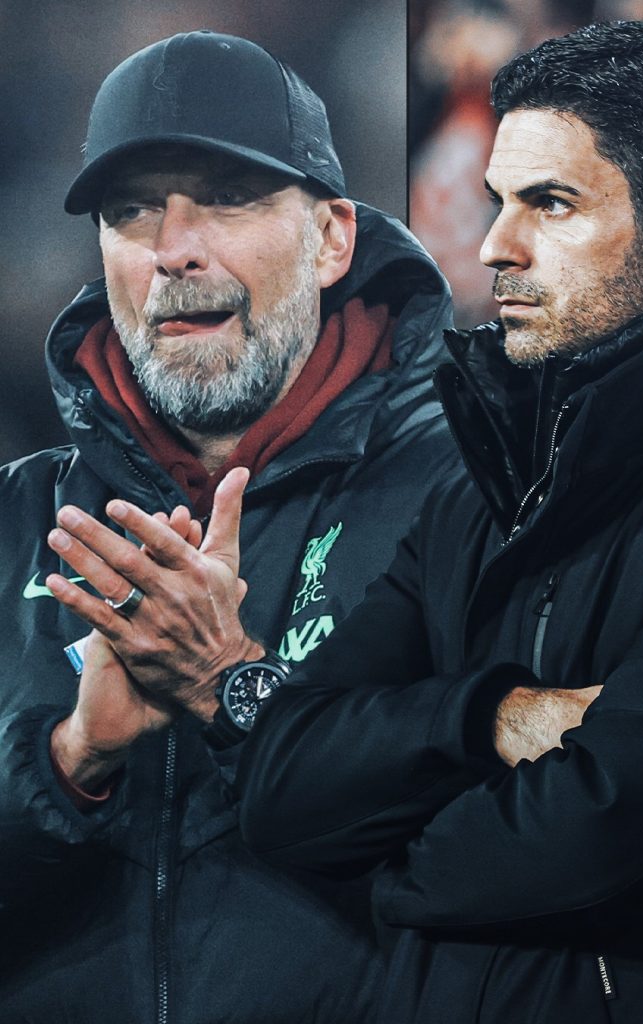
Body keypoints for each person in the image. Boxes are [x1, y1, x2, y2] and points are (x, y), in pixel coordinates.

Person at [229, 21, 643, 1024]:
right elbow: (281, 788)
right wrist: (487, 716)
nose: (493, 243)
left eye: (549, 203)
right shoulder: (476, 494)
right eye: (499, 198)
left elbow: (592, 832)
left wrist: (381, 868)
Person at [0, 30, 459, 1024]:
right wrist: (69, 763)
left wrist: (230, 685)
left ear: (332, 238)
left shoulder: (465, 499)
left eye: (227, 198)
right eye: (132, 211)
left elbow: (517, 858)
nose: (173, 249)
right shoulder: (14, 522)